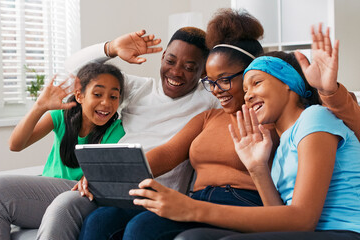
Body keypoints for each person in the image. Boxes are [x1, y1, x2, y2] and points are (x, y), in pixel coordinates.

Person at [130, 25, 360, 240]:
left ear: (287, 82)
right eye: (246, 89)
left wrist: (191, 209)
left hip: (342, 231)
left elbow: (301, 221)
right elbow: (281, 218)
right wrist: (257, 167)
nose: (248, 96)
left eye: (256, 83)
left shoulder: (315, 117)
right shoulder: (282, 147)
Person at [78, 8, 275, 240]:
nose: (216, 90)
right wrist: (109, 173)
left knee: (141, 229)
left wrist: (329, 93)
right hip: (195, 198)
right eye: (211, 81)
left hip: (241, 202)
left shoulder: (268, 117)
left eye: (223, 80)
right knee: (99, 221)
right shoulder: (209, 117)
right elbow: (167, 154)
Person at [34, 27, 220, 239]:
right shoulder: (139, 89)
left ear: (203, 72)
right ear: (162, 57)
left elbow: (238, 77)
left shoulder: (208, 99)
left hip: (160, 196)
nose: (176, 72)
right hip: (116, 193)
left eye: (189, 67)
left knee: (136, 229)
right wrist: (111, 48)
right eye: (170, 61)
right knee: (97, 223)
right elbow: (75, 73)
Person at [0, 62, 126, 240]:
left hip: (80, 196)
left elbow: (104, 171)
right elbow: (16, 144)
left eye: (113, 97)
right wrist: (40, 107)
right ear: (79, 96)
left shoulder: (117, 130)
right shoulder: (62, 116)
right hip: (49, 191)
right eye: (97, 94)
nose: (106, 103)